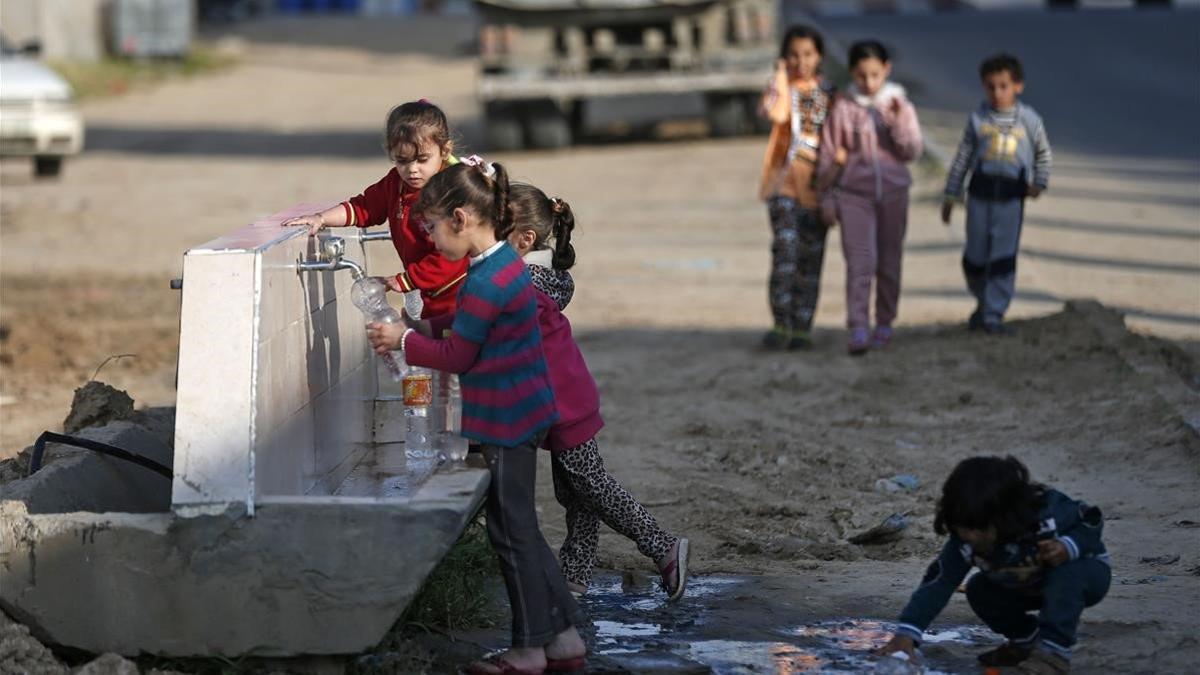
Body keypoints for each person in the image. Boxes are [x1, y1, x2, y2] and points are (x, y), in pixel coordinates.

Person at [366, 162, 587, 675]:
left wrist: (403, 340)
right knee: (523, 530)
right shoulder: (499, 266)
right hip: (524, 409)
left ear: (461, 218)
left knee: (511, 535)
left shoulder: (486, 279)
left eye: (433, 229)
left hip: (506, 419)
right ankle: (564, 639)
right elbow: (469, 322)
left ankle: (528, 651)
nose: (430, 241)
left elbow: (461, 354)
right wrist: (419, 323)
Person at [507, 183, 689, 601]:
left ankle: (663, 547)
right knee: (575, 492)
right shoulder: (542, 276)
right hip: (565, 397)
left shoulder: (524, 286)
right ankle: (574, 575)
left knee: (591, 486)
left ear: (525, 238)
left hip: (563, 403)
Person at [876, 456, 1110, 675]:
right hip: (1022, 585)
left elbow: (1091, 519)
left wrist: (1068, 546)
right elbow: (939, 582)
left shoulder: (1046, 514)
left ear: (1005, 518)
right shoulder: (964, 540)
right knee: (979, 589)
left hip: (1083, 575)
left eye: (978, 529)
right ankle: (1027, 642)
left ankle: (1053, 654)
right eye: (962, 528)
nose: (970, 536)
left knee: (1068, 574)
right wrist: (907, 632)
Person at [282, 99, 468, 317]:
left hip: (461, 291)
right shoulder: (395, 184)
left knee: (449, 345)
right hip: (429, 289)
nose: (412, 170)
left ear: (445, 151)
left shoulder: (453, 192)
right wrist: (320, 218)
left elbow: (455, 255)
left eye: (422, 159)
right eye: (402, 161)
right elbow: (363, 207)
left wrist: (406, 280)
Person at [817, 40, 922, 355]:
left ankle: (885, 322)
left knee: (889, 263)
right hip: (854, 197)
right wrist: (827, 197)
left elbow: (911, 151)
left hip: (893, 194)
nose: (869, 83)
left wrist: (897, 121)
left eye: (875, 75)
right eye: (862, 76)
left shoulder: (900, 105)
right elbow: (827, 157)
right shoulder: (844, 108)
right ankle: (859, 326)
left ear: (886, 70)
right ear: (852, 73)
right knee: (860, 263)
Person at [942, 53, 1052, 336]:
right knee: (975, 257)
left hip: (1010, 201)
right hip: (979, 198)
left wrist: (1038, 183)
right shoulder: (977, 119)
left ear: (1018, 86)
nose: (997, 92)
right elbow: (962, 158)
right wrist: (951, 195)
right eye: (990, 86)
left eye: (1003, 86)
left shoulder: (1029, 120)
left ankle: (994, 314)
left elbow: (1043, 153)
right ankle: (981, 301)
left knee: (1002, 257)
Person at [757, 25, 836, 350]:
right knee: (786, 254)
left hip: (819, 189)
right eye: (793, 54)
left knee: (811, 258)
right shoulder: (782, 90)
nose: (800, 61)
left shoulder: (831, 94)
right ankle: (780, 323)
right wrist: (779, 74)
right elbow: (772, 112)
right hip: (783, 188)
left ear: (819, 56)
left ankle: (802, 327)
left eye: (807, 54)